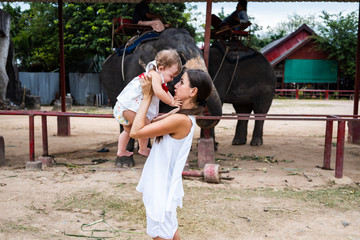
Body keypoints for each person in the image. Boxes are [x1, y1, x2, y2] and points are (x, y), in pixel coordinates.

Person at [130, 69, 213, 240]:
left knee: (161, 233)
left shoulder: (181, 119)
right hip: (164, 184)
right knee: (170, 231)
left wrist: (146, 97)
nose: (175, 85)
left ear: (193, 91)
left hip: (161, 186)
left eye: (181, 82)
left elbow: (136, 132)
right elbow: (152, 123)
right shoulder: (180, 114)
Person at [113, 49, 182, 157]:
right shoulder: (155, 75)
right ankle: (143, 148)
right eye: (171, 76)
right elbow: (159, 92)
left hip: (124, 107)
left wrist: (173, 99)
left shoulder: (158, 77)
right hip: (129, 107)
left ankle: (121, 150)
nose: (172, 79)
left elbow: (165, 91)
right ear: (161, 68)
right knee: (145, 125)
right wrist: (171, 102)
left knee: (127, 130)